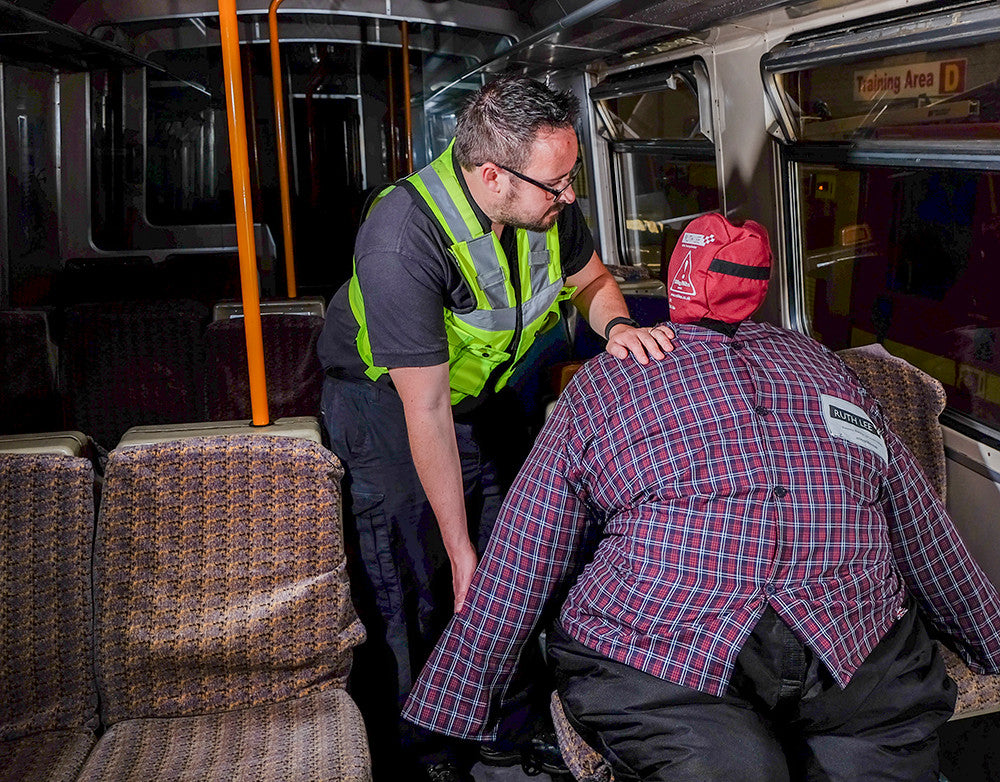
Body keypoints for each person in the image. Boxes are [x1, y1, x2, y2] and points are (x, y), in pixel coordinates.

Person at [402, 213, 1000, 781]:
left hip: (669, 638)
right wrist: (989, 637)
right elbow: (922, 528)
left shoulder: (612, 377)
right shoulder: (825, 365)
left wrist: (460, 701)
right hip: (829, 640)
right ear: (758, 291)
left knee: (732, 769)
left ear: (672, 285)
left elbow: (529, 548)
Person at [317, 74, 675, 781]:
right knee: (420, 580)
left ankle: (509, 728)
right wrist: (460, 548)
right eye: (557, 183)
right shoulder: (403, 238)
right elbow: (426, 411)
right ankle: (426, 747)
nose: (570, 196)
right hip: (391, 411)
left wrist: (622, 328)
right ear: (493, 176)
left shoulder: (546, 206)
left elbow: (594, 284)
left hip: (486, 401)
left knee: (516, 565)